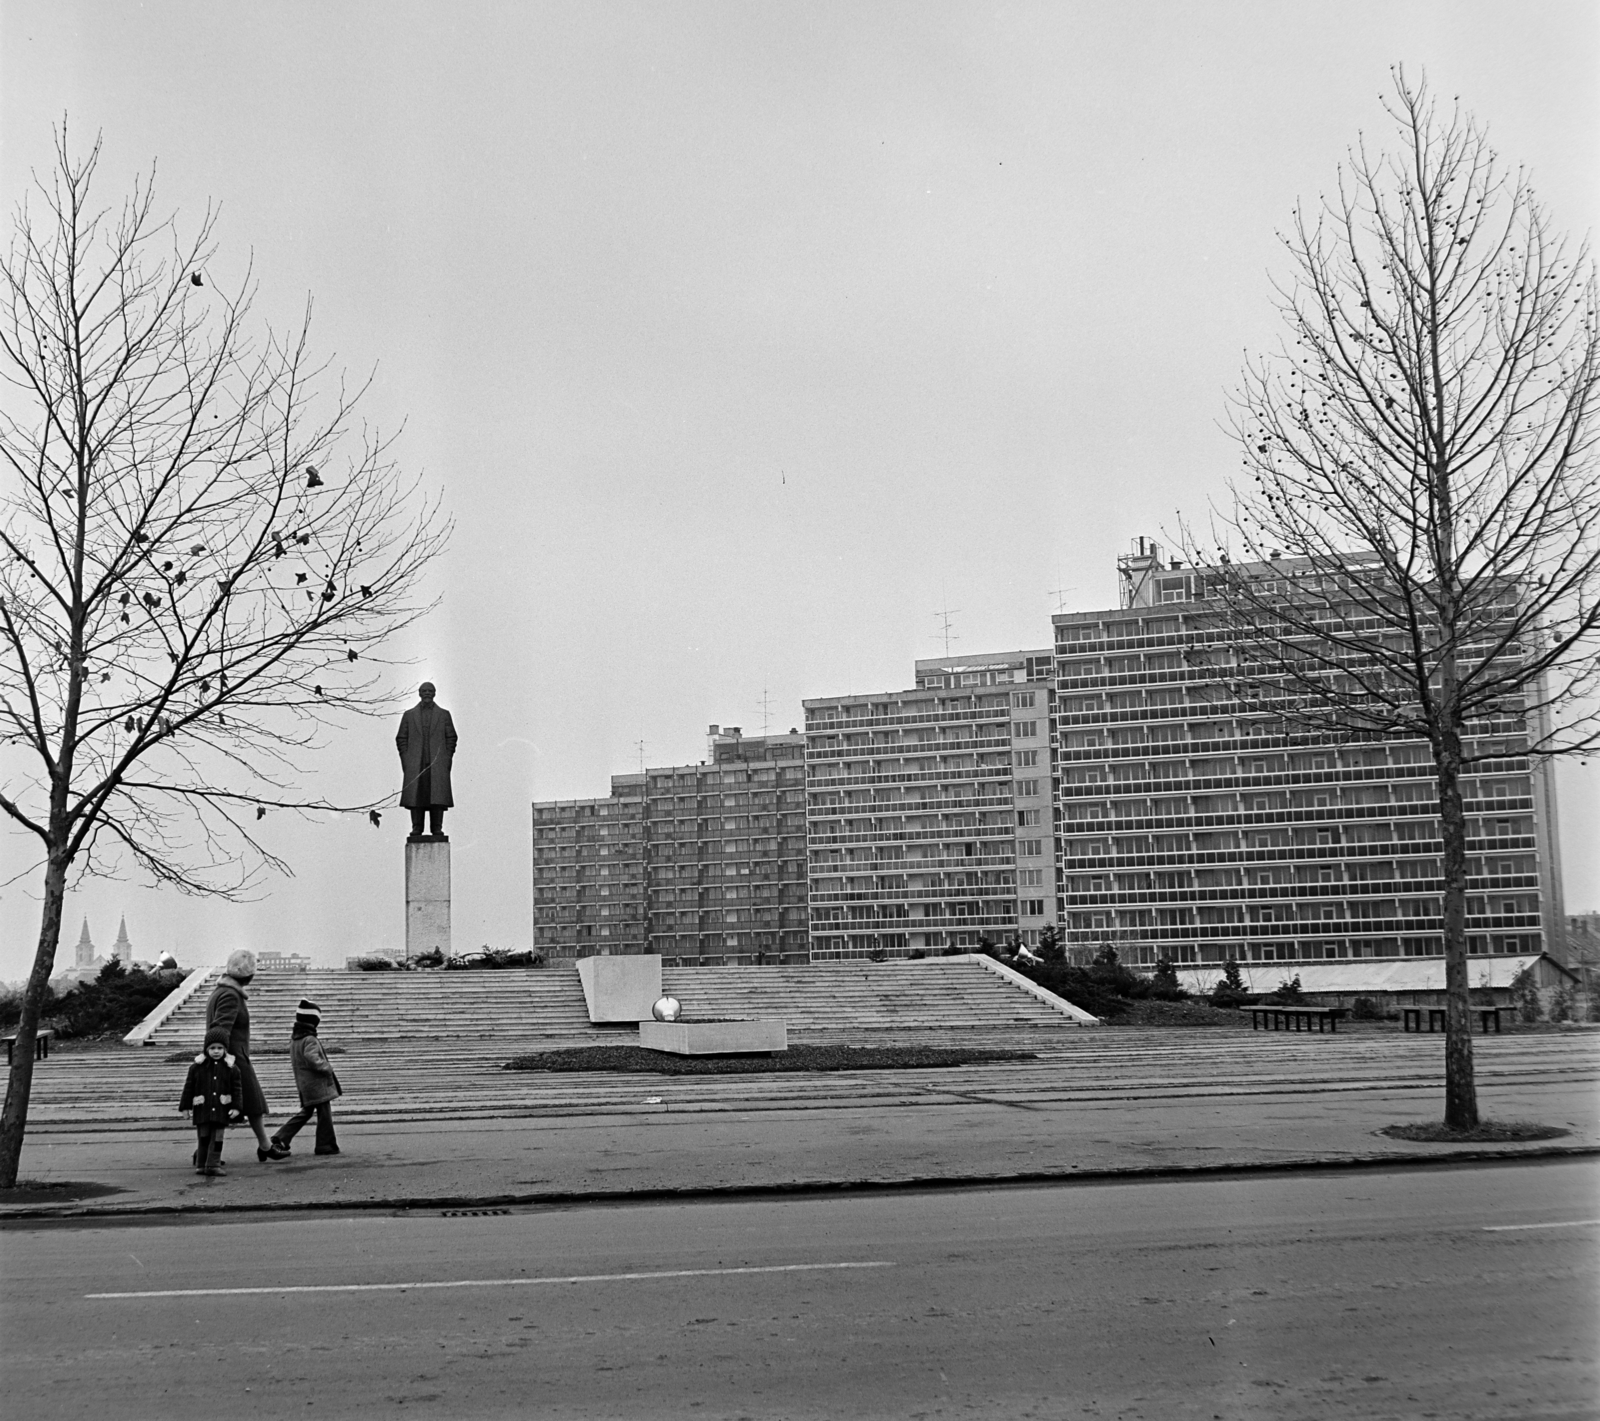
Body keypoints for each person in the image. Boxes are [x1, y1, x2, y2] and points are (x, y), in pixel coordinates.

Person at [204, 949, 288, 1162]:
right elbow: (220, 1030)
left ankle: (264, 1145)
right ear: (249, 975)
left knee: (244, 1104)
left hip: (232, 1057)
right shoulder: (231, 996)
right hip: (234, 1060)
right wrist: (222, 1060)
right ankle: (263, 1146)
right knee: (250, 1103)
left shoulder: (221, 991)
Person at [271, 997, 342, 1157]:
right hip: (317, 1084)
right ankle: (325, 1145)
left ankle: (281, 1138)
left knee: (306, 1112)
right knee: (324, 1115)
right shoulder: (309, 1039)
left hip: (305, 1084)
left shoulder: (296, 1038)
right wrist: (327, 1068)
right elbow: (312, 1058)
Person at [396, 681, 458, 839]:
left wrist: (446, 757)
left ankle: (437, 827)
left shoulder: (444, 714)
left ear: (435, 693)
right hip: (415, 763)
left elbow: (452, 737)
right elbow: (401, 738)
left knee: (437, 796)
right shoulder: (409, 715)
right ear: (419, 693)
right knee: (417, 796)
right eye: (424, 691)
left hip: (437, 763)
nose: (427, 693)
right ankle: (417, 827)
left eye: (430, 691)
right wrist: (406, 758)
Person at [179, 1040, 242, 1176]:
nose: (216, 1051)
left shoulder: (231, 1068)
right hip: (203, 1110)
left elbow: (237, 1089)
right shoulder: (196, 1068)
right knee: (203, 1137)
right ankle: (201, 1165)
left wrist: (236, 1107)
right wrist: (185, 1107)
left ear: (225, 1049)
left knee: (217, 1138)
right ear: (206, 1049)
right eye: (212, 1048)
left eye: (220, 1048)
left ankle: (213, 1164)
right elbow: (188, 1088)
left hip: (221, 1110)